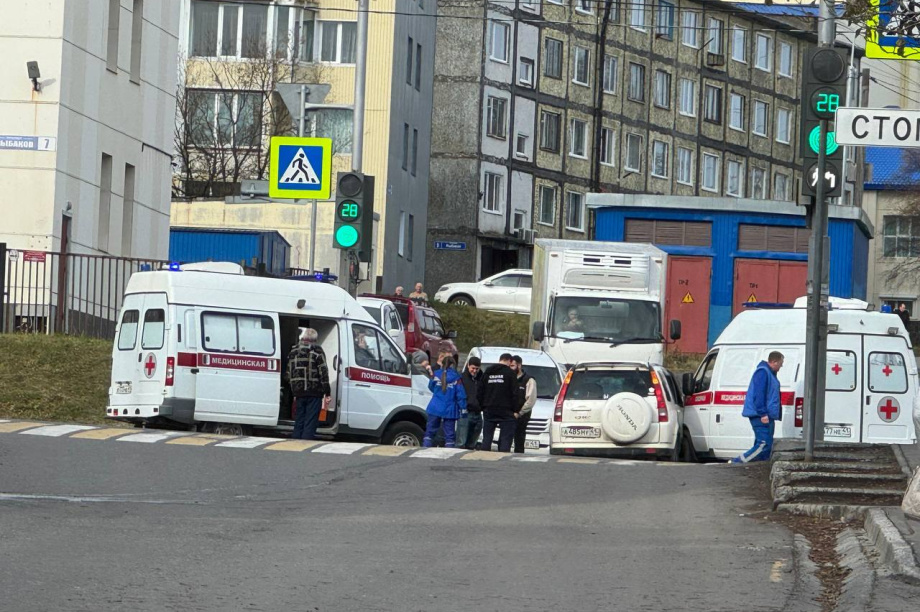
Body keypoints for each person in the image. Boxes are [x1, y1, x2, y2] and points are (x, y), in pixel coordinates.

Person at [732, 351, 784, 463]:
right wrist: (763, 413)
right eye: (780, 363)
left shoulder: (769, 374)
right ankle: (738, 462)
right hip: (761, 415)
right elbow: (759, 394)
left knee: (766, 446)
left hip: (767, 415)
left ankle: (758, 467)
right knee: (764, 445)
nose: (781, 366)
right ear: (774, 362)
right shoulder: (763, 373)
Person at [286, 329, 331, 440]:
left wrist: (294, 388)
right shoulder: (317, 351)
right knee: (310, 421)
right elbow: (323, 373)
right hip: (314, 393)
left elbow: (288, 374)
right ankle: (306, 443)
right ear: (315, 340)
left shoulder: (293, 351)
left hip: (298, 392)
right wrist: (327, 392)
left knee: (299, 419)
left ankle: (295, 441)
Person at [478, 353, 523, 452]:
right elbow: (515, 393)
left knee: (487, 438)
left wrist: (482, 406)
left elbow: (480, 390)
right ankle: (503, 457)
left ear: (500, 359)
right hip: (506, 410)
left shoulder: (488, 371)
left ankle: (483, 456)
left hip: (489, 408)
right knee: (505, 440)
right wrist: (516, 410)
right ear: (509, 361)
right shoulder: (510, 373)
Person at [423, 355, 467, 448]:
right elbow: (460, 395)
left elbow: (431, 387)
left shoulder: (436, 374)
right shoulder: (456, 377)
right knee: (449, 435)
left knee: (429, 432)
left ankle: (425, 449)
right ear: (453, 365)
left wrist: (438, 393)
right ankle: (448, 454)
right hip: (450, 409)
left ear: (442, 364)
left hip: (435, 406)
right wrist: (463, 409)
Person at [511, 355, 537, 454]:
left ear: (519, 365)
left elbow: (530, 400)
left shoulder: (529, 380)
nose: (510, 368)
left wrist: (519, 413)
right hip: (509, 414)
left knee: (519, 438)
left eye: (513, 366)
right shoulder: (509, 378)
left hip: (521, 415)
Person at [456, 356, 483, 449]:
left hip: (478, 413)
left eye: (477, 369)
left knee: (472, 442)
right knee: (461, 442)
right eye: (473, 368)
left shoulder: (482, 379)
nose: (474, 371)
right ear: (468, 366)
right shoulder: (462, 377)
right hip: (465, 413)